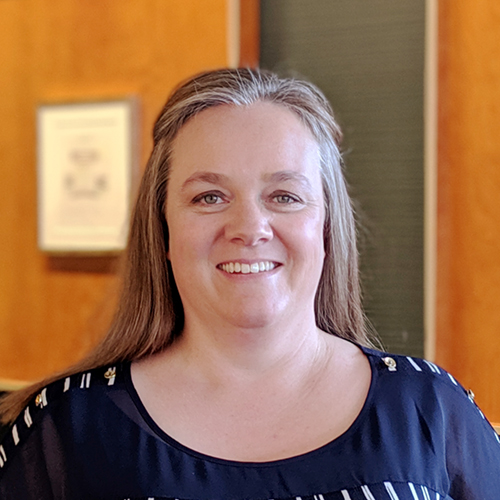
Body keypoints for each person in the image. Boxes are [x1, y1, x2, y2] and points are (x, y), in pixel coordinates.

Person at [0, 68, 499, 499]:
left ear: (326, 229)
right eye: (209, 197)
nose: (248, 226)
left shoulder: (429, 409)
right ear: (163, 230)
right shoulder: (63, 429)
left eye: (284, 196)